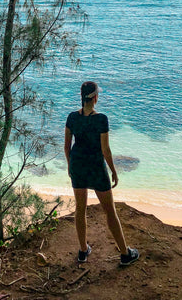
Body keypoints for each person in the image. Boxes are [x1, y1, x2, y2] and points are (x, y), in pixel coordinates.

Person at [64, 81, 139, 266]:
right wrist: (114, 171)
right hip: (96, 168)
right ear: (96, 98)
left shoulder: (72, 117)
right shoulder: (101, 119)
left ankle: (83, 251)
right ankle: (124, 253)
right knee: (110, 212)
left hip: (78, 166)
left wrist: (70, 166)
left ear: (81, 97)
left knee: (80, 210)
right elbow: (106, 150)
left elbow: (66, 147)